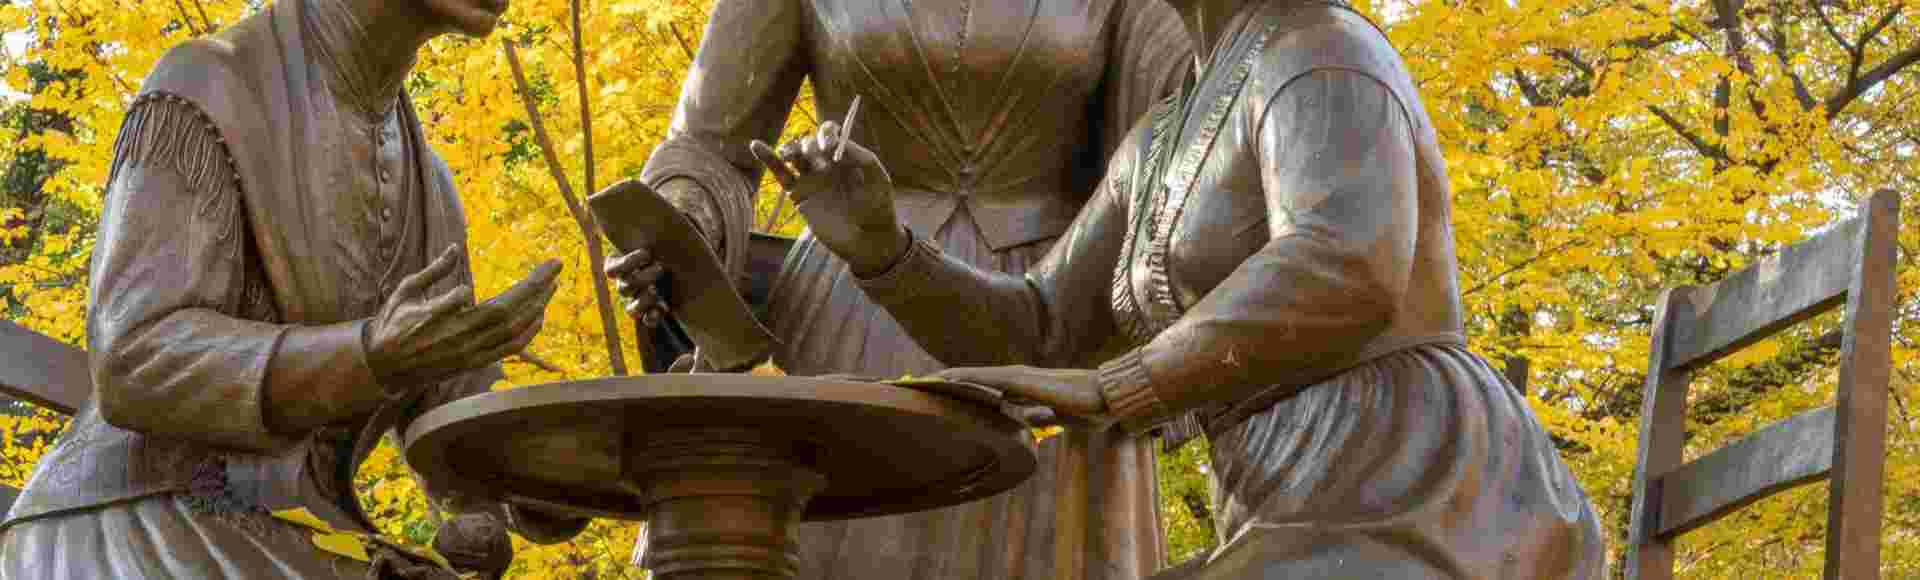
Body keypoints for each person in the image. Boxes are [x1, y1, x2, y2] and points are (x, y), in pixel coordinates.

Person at [745, 0, 1610, 576]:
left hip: (1415, 481)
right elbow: (1041, 325)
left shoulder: (1321, 47)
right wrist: (882, 250)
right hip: (1287, 500)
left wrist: (1121, 387)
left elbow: (1348, 259)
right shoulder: (1164, 134)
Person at [605, 1, 1192, 578]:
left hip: (1054, 318)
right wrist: (680, 223)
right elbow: (707, 144)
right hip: (848, 307)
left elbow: (1193, 107)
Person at [0, 0, 586, 577]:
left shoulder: (431, 185)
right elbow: (136, 359)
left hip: (309, 537)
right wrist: (367, 355)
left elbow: (452, 414)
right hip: (140, 526)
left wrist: (568, 465)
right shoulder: (206, 86)